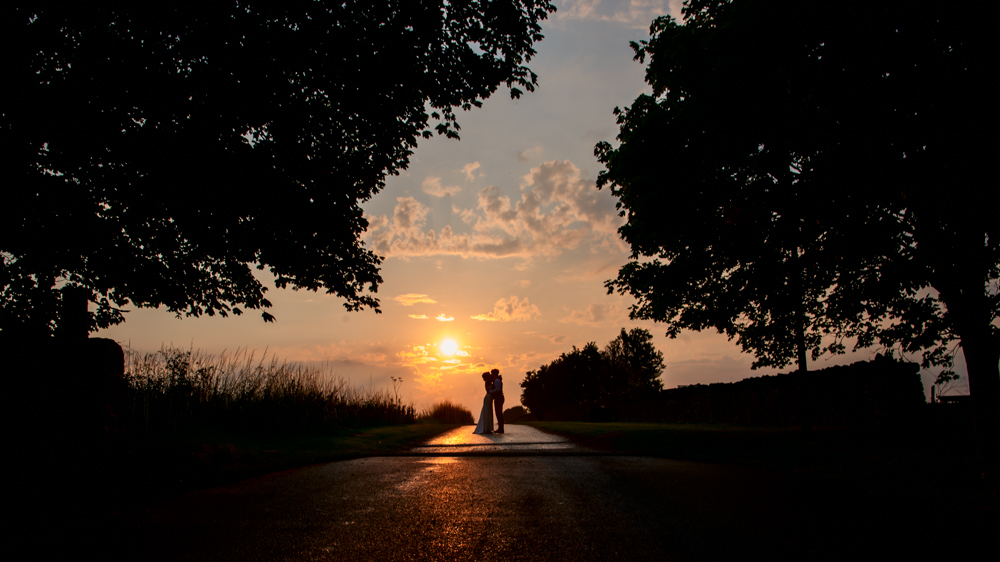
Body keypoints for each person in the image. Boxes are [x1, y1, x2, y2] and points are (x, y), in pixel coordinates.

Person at [489, 369, 505, 433]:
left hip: (499, 398)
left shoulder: (497, 380)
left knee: (499, 413)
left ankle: (501, 428)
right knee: (498, 413)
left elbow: (498, 389)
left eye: (492, 373)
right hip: (498, 398)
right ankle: (500, 428)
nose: (491, 375)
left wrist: (491, 391)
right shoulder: (496, 380)